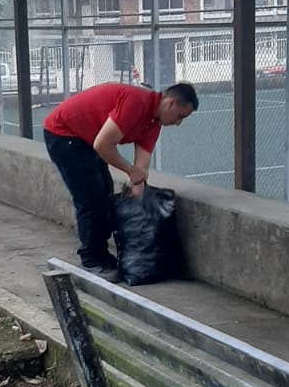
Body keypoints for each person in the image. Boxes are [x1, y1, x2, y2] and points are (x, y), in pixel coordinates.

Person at [43, 80, 198, 278]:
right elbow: (102, 145)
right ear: (171, 103)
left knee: (105, 193)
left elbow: (141, 167)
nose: (178, 123)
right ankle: (91, 259)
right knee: (91, 199)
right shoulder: (137, 103)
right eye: (180, 116)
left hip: (86, 139)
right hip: (63, 134)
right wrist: (129, 170)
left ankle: (101, 255)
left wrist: (138, 193)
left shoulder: (153, 124)